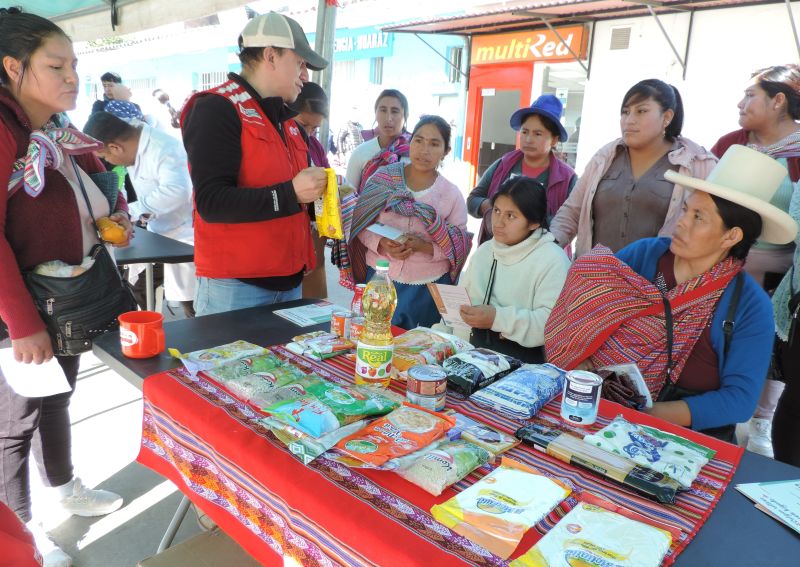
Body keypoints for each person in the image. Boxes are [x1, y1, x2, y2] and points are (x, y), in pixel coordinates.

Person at [545, 145, 798, 440]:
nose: (682, 222)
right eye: (686, 209)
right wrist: (579, 362)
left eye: (698, 217)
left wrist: (645, 414)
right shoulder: (643, 257)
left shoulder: (749, 306)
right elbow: (579, 312)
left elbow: (740, 400)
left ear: (731, 236)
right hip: (594, 411)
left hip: (677, 441)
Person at [0, 8, 130, 565]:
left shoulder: (56, 130)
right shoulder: (4, 130)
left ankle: (62, 487)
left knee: (56, 399)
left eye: (75, 64)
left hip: (68, 296)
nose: (72, 77)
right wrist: (22, 324)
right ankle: (22, 534)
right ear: (14, 67)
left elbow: (99, 188)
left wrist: (115, 216)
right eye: (56, 66)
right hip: (20, 305)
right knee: (15, 424)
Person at [181, 12, 329, 316]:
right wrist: (291, 192)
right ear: (271, 56)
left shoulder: (288, 122)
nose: (305, 76)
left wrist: (325, 194)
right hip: (235, 288)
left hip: (291, 282)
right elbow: (211, 202)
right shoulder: (217, 107)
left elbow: (297, 199)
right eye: (300, 63)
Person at [712, 64, 800, 457]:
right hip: (725, 265)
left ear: (778, 101)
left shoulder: (797, 153)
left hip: (783, 275)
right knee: (720, 343)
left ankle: (763, 419)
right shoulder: (730, 145)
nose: (740, 103)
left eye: (750, 96)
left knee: (771, 348)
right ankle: (717, 413)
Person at [550, 79, 717, 258]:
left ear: (667, 117)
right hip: (593, 273)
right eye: (625, 112)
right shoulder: (605, 157)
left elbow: (714, 227)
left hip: (658, 275)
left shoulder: (697, 163)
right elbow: (571, 212)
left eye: (641, 111)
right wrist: (546, 251)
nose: (629, 121)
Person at [347, 116, 470, 328]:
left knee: (416, 346)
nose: (424, 150)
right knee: (373, 337)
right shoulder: (383, 178)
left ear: (446, 151)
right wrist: (381, 243)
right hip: (379, 279)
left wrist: (424, 247)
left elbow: (459, 244)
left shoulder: (451, 194)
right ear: (410, 142)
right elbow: (360, 223)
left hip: (426, 288)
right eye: (419, 140)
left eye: (434, 144)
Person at [436, 177, 570, 362]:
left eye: (511, 216)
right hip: (467, 358)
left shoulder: (553, 260)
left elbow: (551, 325)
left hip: (521, 368)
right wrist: (439, 339)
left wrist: (497, 319)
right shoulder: (485, 251)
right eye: (497, 211)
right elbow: (458, 309)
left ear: (534, 223)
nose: (499, 222)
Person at [84, 111, 196, 317]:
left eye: (105, 157)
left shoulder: (164, 148)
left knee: (190, 302)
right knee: (139, 288)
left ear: (115, 147)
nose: (110, 162)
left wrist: (132, 211)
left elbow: (178, 191)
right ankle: (149, 326)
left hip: (184, 237)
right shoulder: (135, 146)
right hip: (161, 234)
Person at [467, 94, 577, 245]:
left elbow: (571, 220)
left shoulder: (567, 178)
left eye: (538, 134)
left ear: (554, 139)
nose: (529, 139)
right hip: (496, 251)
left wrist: (532, 217)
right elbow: (473, 200)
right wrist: (493, 207)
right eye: (525, 132)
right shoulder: (503, 165)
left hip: (541, 254)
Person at [289, 81, 330, 299]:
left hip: (314, 239)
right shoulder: (280, 144)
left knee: (314, 307)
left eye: (314, 129)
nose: (308, 133)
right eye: (303, 125)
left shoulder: (314, 145)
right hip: (289, 240)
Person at [346, 89, 410, 192]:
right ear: (375, 114)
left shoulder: (415, 154)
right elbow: (348, 195)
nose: (388, 118)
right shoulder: (361, 152)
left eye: (395, 111)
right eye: (383, 110)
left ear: (405, 116)